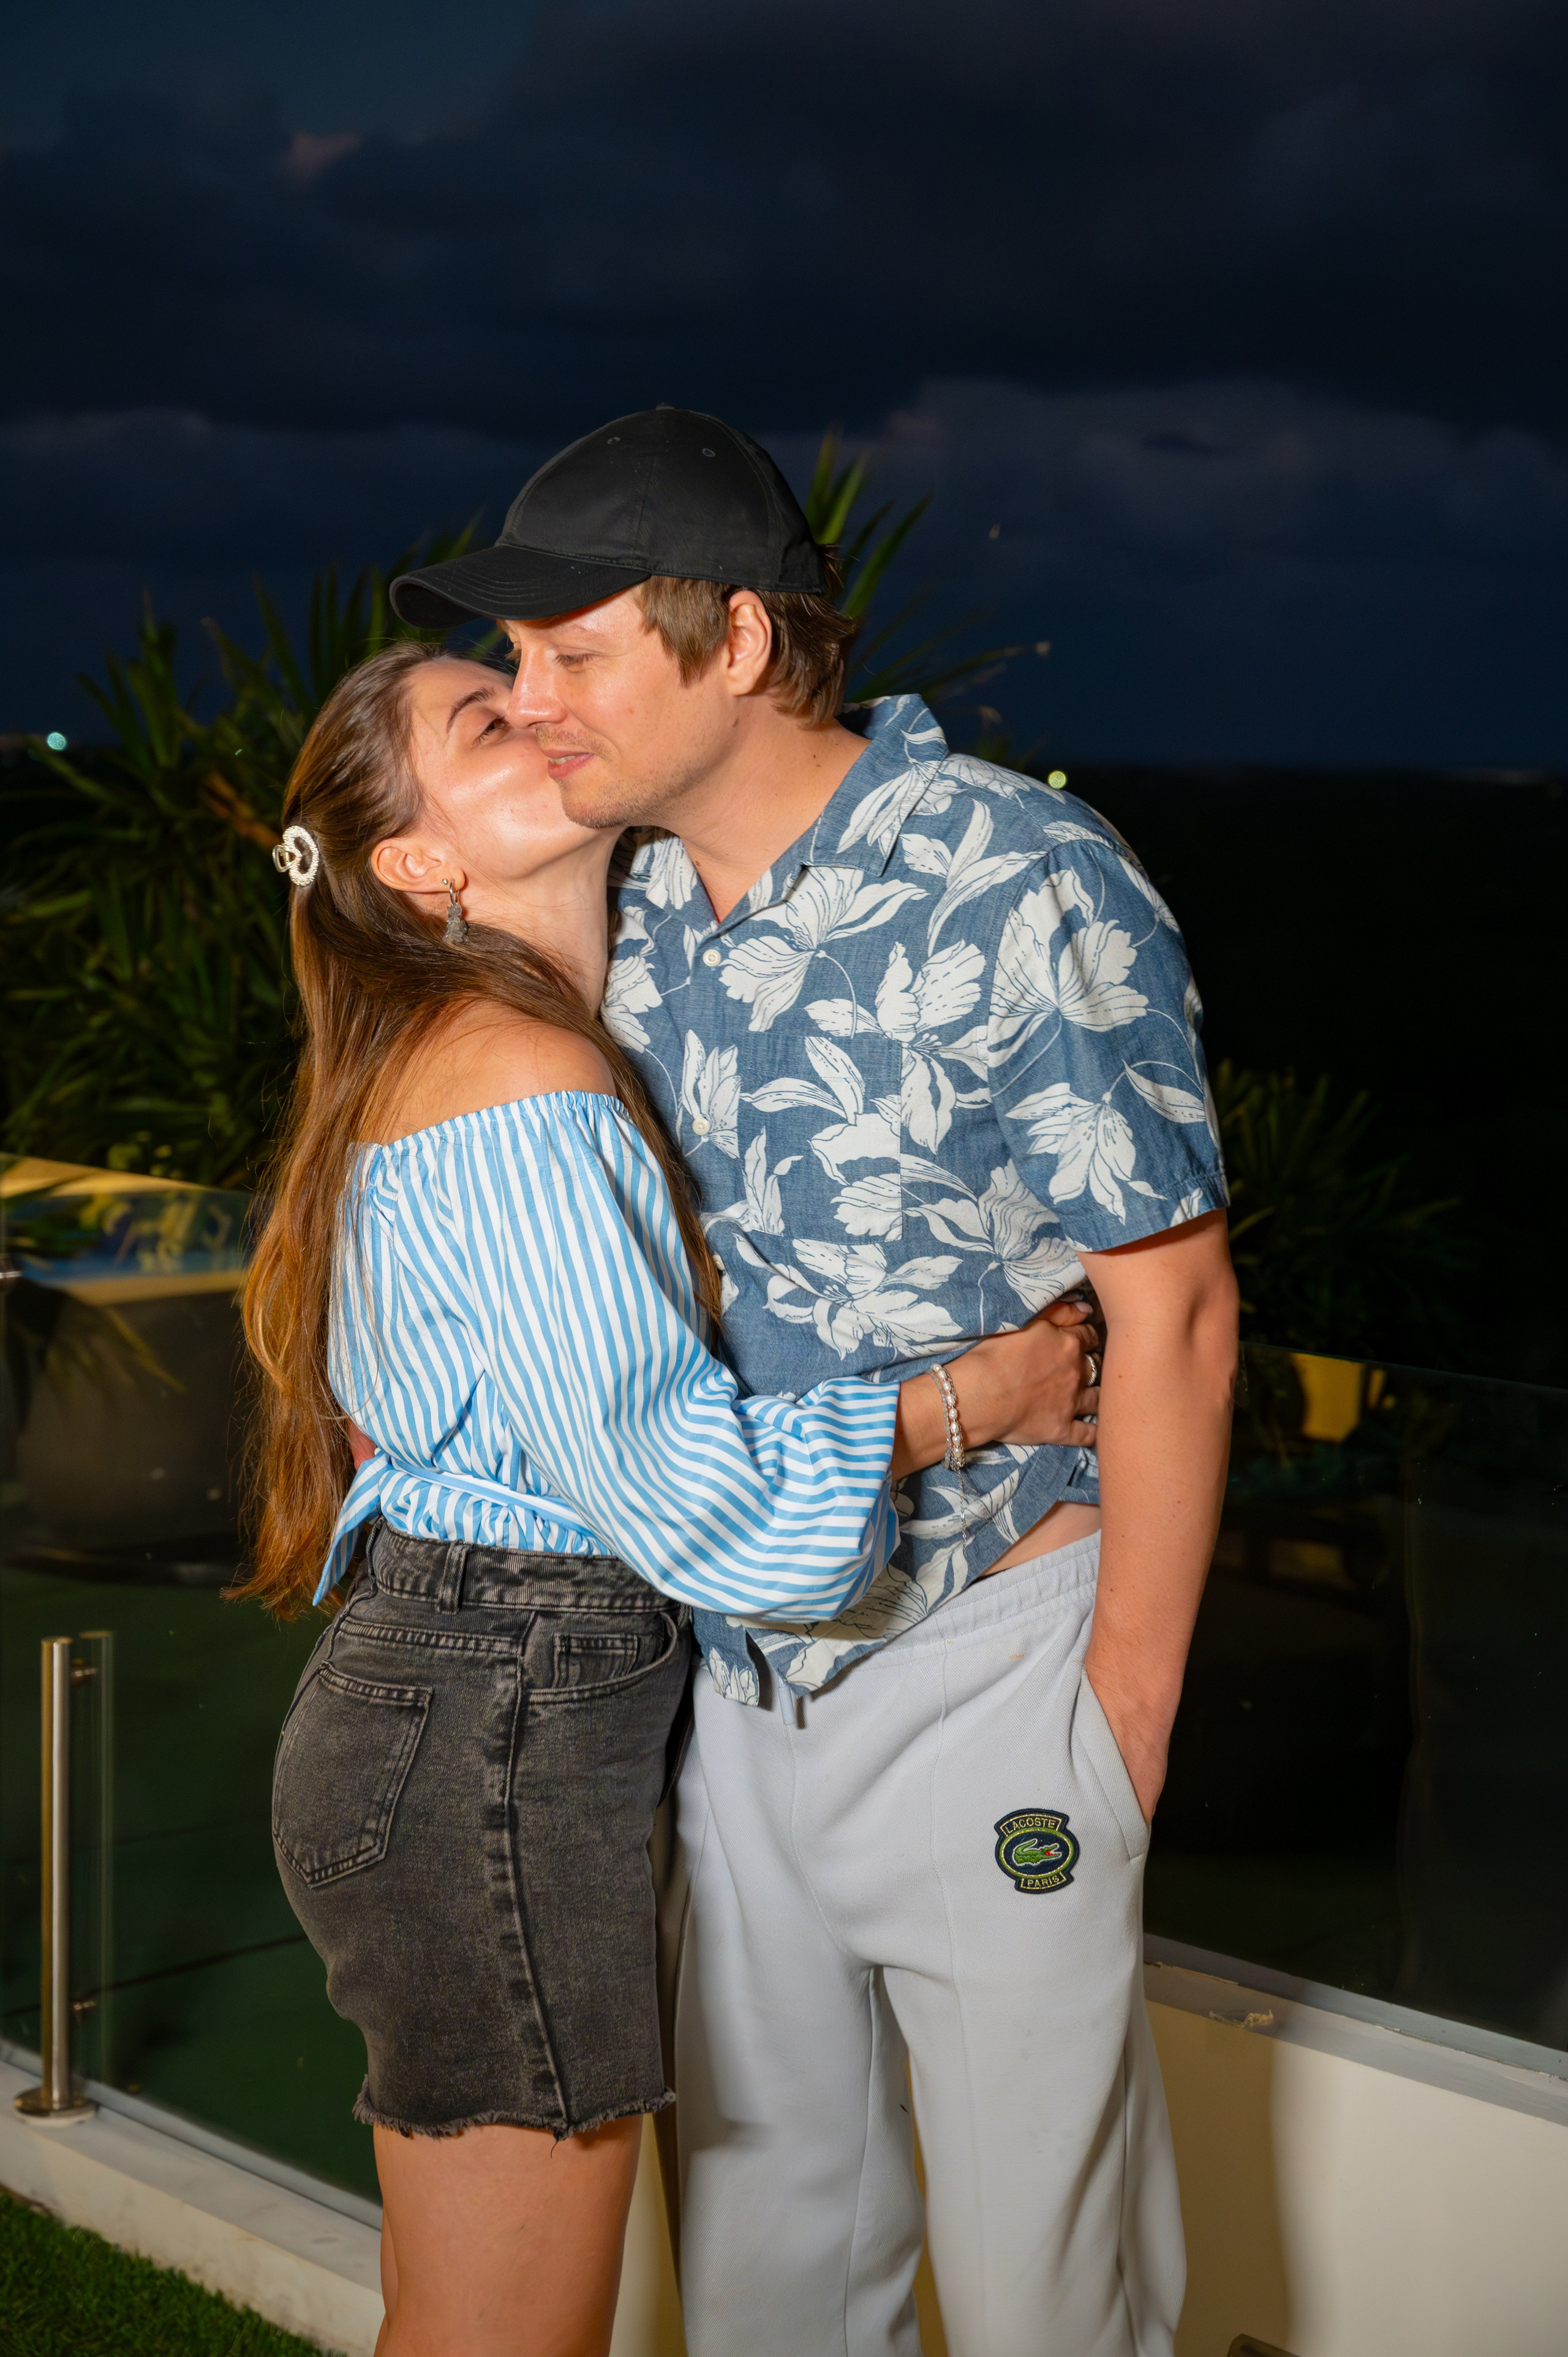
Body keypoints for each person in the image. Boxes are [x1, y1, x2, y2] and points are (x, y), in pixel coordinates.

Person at [391, 405, 1240, 2356]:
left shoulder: (1018, 876)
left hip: (993, 1664)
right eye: (513, 661)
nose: (532, 703)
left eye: (572, 652)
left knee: (1045, 2295)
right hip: (737, 1697)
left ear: (745, 642)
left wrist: (1120, 1714)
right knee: (768, 2283)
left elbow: (1178, 1312)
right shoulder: (620, 904)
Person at [239, 638, 1102, 2357]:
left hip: (450, 1703)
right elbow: (693, 1501)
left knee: (463, 2319)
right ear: (419, 864)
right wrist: (974, 1397)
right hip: (492, 1729)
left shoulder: (467, 1051)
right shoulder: (516, 1076)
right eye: (492, 720)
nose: (548, 710)